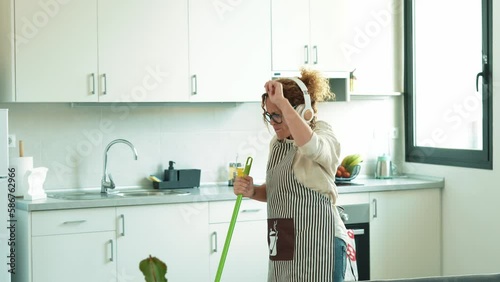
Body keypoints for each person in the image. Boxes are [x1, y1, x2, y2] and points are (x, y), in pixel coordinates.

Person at [233, 68, 349, 282]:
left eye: (277, 115)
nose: (272, 122)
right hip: (284, 241)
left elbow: (312, 147)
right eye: (269, 115)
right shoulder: (277, 144)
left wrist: (284, 105)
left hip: (319, 241)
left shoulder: (323, 134)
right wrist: (253, 191)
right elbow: (277, 191)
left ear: (301, 111)